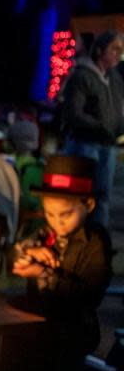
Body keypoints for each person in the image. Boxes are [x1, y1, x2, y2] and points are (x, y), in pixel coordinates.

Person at [11, 155, 111, 371]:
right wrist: (30, 253)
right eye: (50, 214)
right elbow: (16, 253)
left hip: (71, 326)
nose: (57, 222)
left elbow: (89, 294)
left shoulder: (95, 242)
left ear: (87, 205)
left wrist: (45, 273)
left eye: (65, 214)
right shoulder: (47, 234)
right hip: (39, 316)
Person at [60, 30, 124, 228]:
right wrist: (100, 126)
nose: (117, 54)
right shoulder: (82, 76)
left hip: (108, 143)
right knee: (84, 193)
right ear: (99, 50)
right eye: (113, 49)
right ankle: (80, 236)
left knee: (103, 194)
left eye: (120, 50)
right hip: (86, 143)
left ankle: (99, 240)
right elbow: (74, 113)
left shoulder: (114, 78)